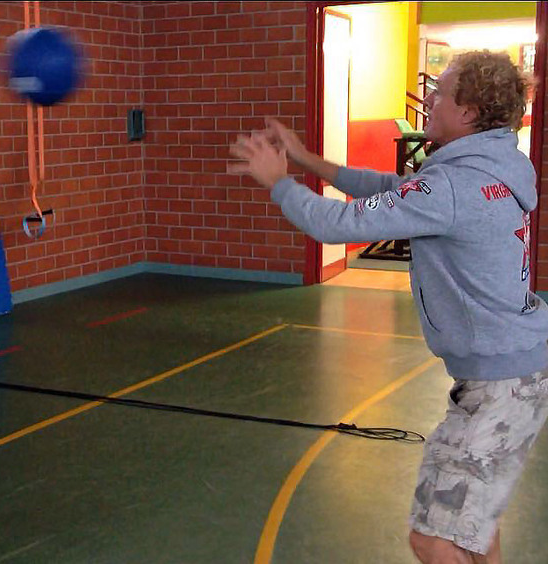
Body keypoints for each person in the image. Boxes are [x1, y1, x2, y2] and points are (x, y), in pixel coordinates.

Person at [229, 50, 548, 563]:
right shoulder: (494, 169)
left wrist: (279, 182)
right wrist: (309, 161)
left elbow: (335, 225)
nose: (430, 96)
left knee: (435, 539)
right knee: (472, 529)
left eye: (440, 90)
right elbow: (393, 190)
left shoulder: (450, 185)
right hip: (517, 375)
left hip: (498, 389)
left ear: (467, 112)